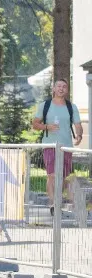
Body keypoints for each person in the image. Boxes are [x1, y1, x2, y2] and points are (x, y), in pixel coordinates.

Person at [32, 78, 84, 215]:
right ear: (54, 89)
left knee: (63, 177)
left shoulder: (71, 107)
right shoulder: (45, 105)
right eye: (59, 86)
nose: (61, 88)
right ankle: (54, 204)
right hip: (49, 145)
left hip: (66, 146)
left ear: (67, 90)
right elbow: (35, 124)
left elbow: (78, 125)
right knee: (52, 175)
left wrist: (79, 136)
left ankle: (59, 200)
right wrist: (47, 126)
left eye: (64, 87)